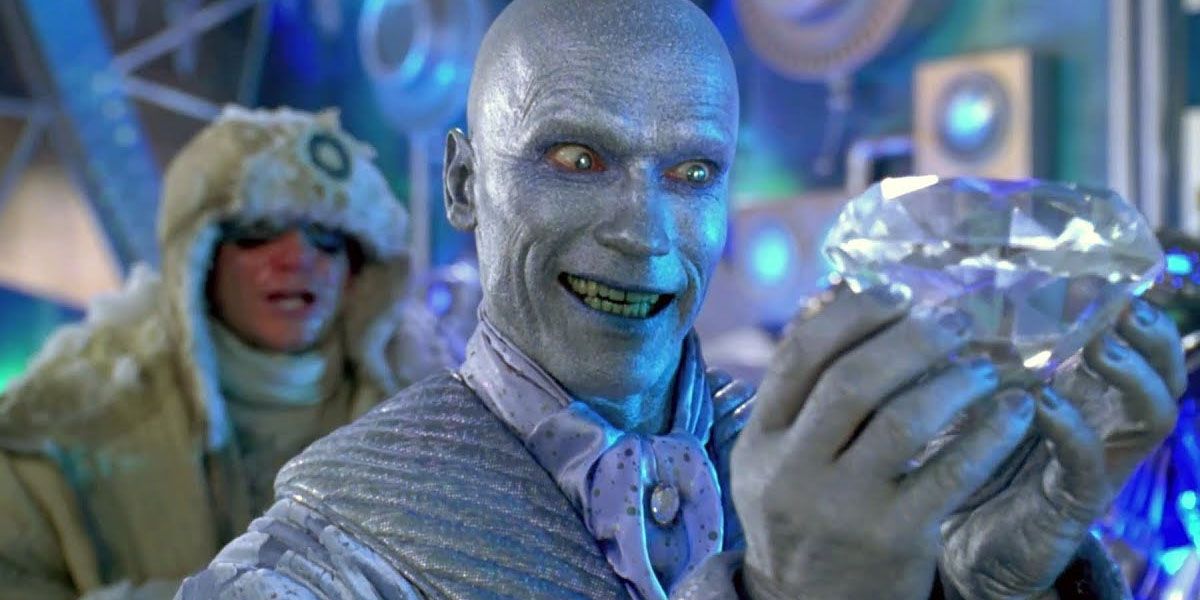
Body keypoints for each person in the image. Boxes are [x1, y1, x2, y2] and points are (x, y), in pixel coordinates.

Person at [178, 1, 1186, 598]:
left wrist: (986, 586)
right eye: (577, 158)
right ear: (463, 184)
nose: (645, 232)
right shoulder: (319, 563)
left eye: (693, 172)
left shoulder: (834, 477)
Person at [0, 106, 453, 599]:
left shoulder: (433, 427)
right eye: (259, 231)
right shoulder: (64, 424)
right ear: (200, 260)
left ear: (358, 273)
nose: (297, 258)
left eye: (326, 238)